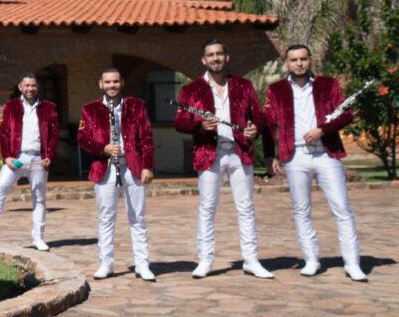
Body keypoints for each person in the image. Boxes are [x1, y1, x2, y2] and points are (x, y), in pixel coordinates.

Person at [264, 44, 366, 280]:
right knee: (301, 210)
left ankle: (352, 263)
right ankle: (311, 260)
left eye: (303, 59)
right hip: (295, 156)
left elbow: (346, 114)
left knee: (342, 208)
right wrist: (269, 155)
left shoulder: (328, 84)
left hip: (326, 154)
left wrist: (323, 129)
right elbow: (269, 123)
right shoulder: (276, 89)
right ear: (286, 64)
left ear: (310, 60)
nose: (299, 63)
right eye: (294, 60)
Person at [174, 39, 272, 279]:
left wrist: (255, 129)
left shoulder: (244, 85)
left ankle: (251, 260)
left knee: (246, 207)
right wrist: (200, 125)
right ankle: (205, 261)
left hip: (240, 152)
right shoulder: (191, 89)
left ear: (227, 57)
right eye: (210, 55)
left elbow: (259, 117)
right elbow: (180, 122)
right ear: (204, 60)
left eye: (219, 54)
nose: (215, 58)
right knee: (207, 207)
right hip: (209, 153)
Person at [77, 69, 154, 280]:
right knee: (106, 217)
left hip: (133, 167)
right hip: (106, 168)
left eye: (116, 82)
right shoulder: (90, 109)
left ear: (122, 83)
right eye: (108, 82)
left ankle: (142, 265)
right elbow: (82, 138)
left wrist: (147, 166)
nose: (112, 85)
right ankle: (106, 264)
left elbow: (146, 138)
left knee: (137, 217)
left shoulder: (137, 106)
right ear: (101, 84)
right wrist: (103, 148)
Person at [0, 73, 58, 251]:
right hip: (16, 157)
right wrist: (6, 157)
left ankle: (38, 238)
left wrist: (49, 156)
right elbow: (3, 133)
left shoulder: (49, 107)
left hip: (39, 158)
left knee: (39, 198)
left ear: (37, 87)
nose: (30, 89)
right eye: (26, 85)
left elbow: (54, 135)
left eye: (33, 85)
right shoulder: (11, 106)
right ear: (20, 87)